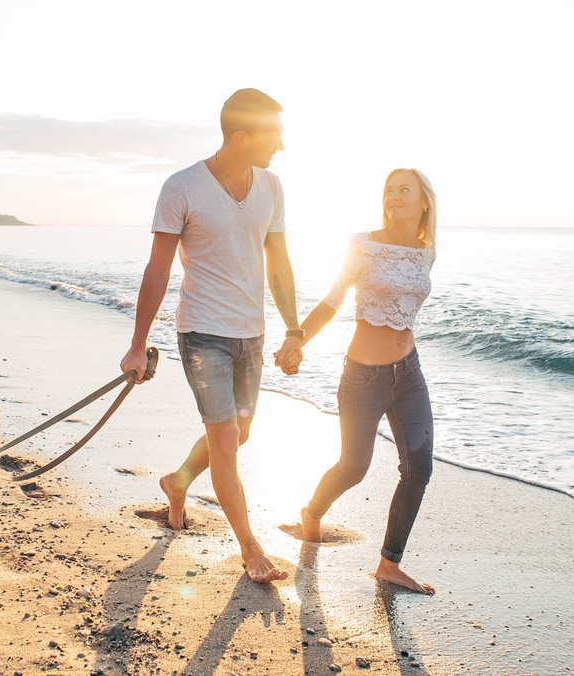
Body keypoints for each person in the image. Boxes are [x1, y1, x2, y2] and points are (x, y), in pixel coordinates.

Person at [120, 89, 303, 583]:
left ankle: (177, 481)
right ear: (241, 137)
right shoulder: (182, 187)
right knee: (224, 438)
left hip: (253, 335)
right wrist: (138, 344)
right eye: (275, 134)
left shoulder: (272, 186)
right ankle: (250, 548)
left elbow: (278, 263)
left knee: (237, 435)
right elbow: (158, 270)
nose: (282, 145)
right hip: (202, 335)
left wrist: (293, 328)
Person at [281, 168, 438, 594]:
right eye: (390, 189)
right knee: (354, 467)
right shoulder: (363, 244)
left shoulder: (427, 252)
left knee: (419, 468)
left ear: (425, 201)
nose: (395, 195)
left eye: (405, 189)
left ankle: (390, 564)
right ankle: (312, 513)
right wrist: (297, 340)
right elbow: (333, 301)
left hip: (409, 374)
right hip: (362, 376)